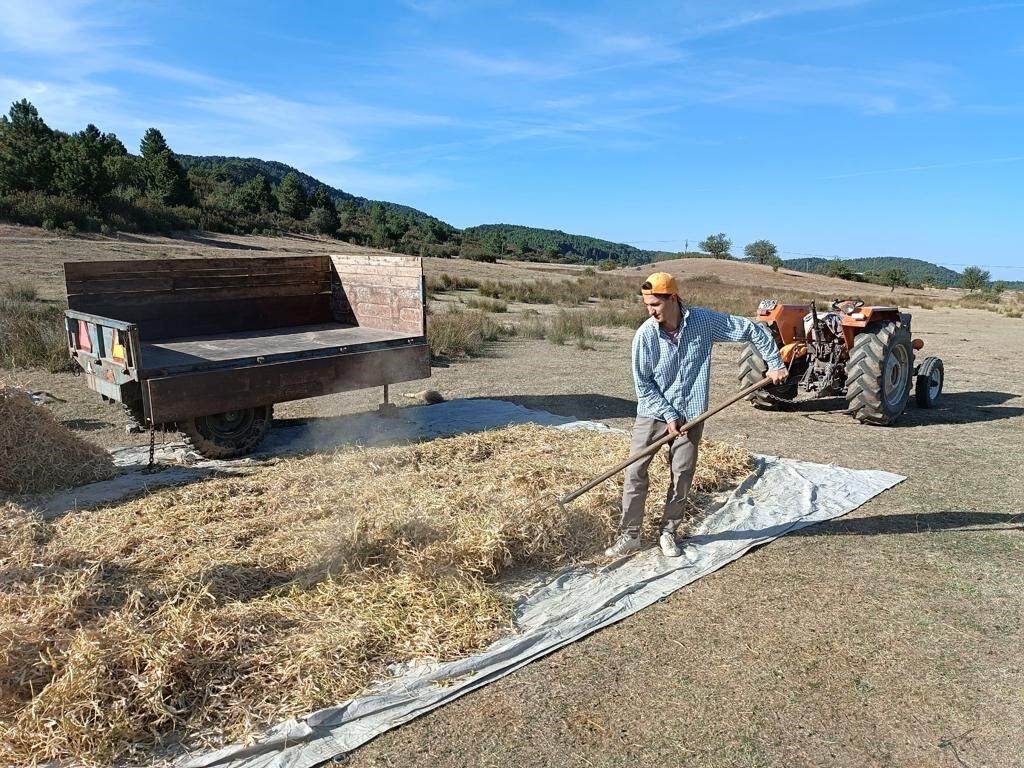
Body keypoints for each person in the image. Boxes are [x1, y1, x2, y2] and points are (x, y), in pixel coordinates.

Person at [605, 272, 789, 558]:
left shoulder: (703, 322)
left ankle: (668, 532)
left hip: (691, 413)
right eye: (647, 305)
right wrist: (668, 415)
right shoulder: (645, 335)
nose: (651, 311)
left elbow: (752, 330)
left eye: (655, 304)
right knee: (635, 471)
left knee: (681, 475)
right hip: (653, 412)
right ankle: (630, 535)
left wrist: (775, 362)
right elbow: (644, 385)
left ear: (673, 298)